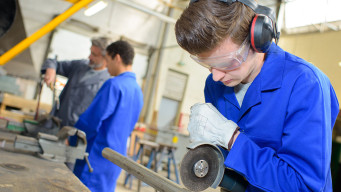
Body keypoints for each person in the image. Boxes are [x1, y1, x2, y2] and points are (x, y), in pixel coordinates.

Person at [175, 0, 339, 191]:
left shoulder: (306, 84)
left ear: (257, 38)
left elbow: (303, 185)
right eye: (208, 65)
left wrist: (232, 140)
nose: (216, 75)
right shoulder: (215, 85)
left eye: (227, 63)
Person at [71, 40, 144, 192]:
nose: (106, 65)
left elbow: (91, 121)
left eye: (108, 60)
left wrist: (72, 137)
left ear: (117, 58)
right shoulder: (137, 91)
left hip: (96, 157)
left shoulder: (114, 85)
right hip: (115, 160)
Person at [42, 37, 111, 127]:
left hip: (75, 131)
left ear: (105, 58)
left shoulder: (107, 83)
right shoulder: (80, 65)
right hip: (56, 122)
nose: (89, 57)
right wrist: (51, 70)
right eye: (90, 52)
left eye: (94, 54)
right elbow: (53, 62)